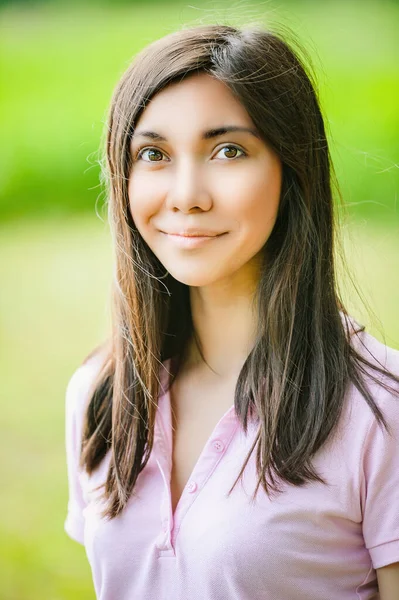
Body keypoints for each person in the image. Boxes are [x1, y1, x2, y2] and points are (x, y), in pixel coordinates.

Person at [64, 23, 399, 600]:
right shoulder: (101, 392)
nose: (187, 193)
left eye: (228, 150)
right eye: (154, 154)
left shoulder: (381, 410)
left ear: (292, 171)